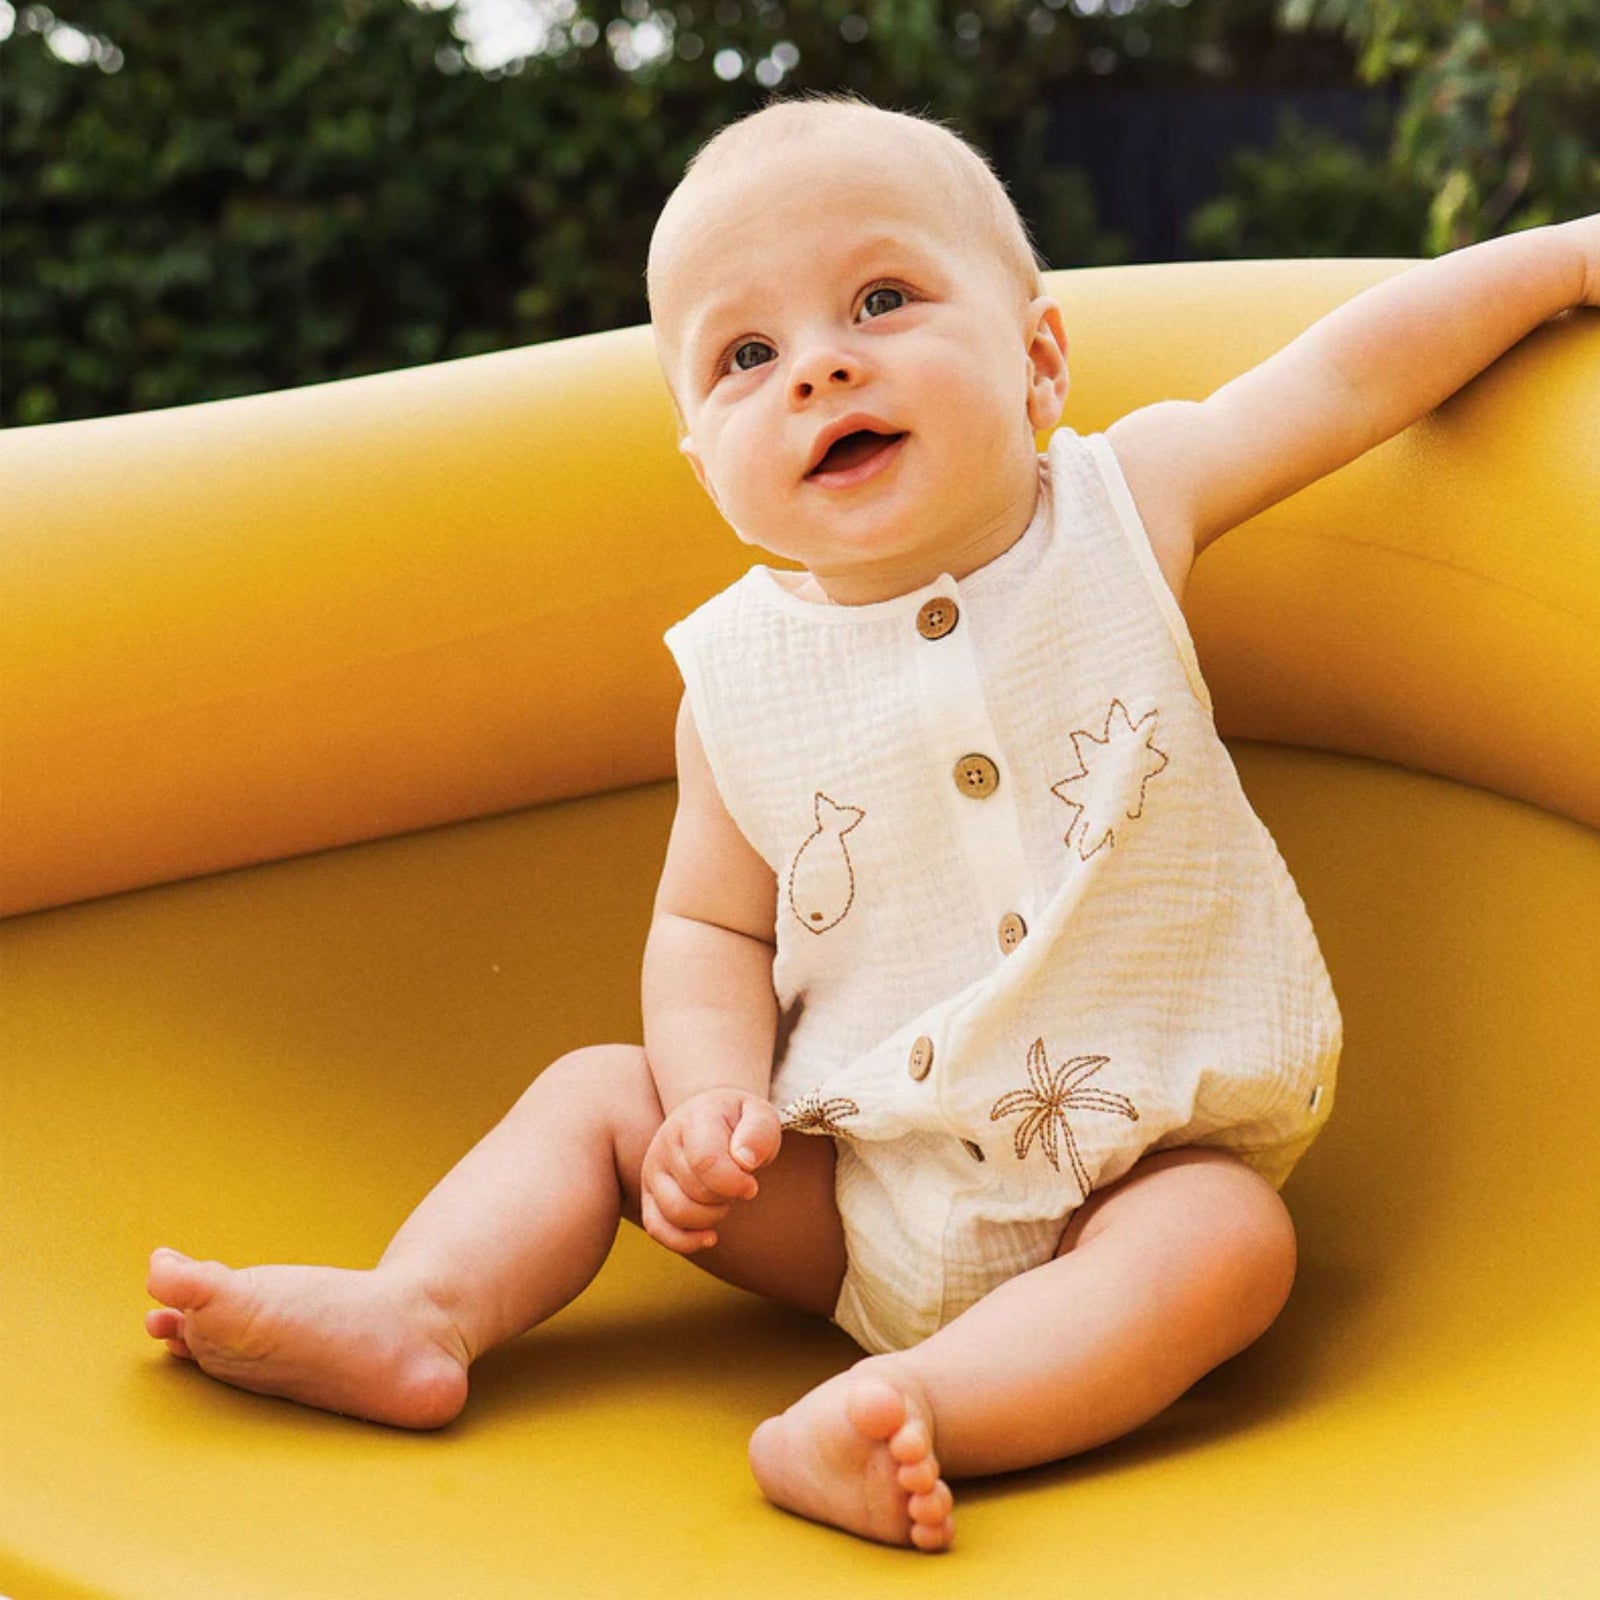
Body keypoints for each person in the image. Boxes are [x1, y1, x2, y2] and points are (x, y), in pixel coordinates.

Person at [144, 91, 1599, 1554]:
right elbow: (706, 924)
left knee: (1234, 1248)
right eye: (746, 355)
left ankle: (912, 1409)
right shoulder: (735, 680)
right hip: (859, 1194)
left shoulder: (1124, 506)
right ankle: (420, 1310)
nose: (820, 366)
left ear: (1037, 361)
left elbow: (1349, 375)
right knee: (597, 1092)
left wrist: (1560, 264)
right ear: (708, 467)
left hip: (1140, 1170)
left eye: (883, 299)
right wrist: (711, 1099)